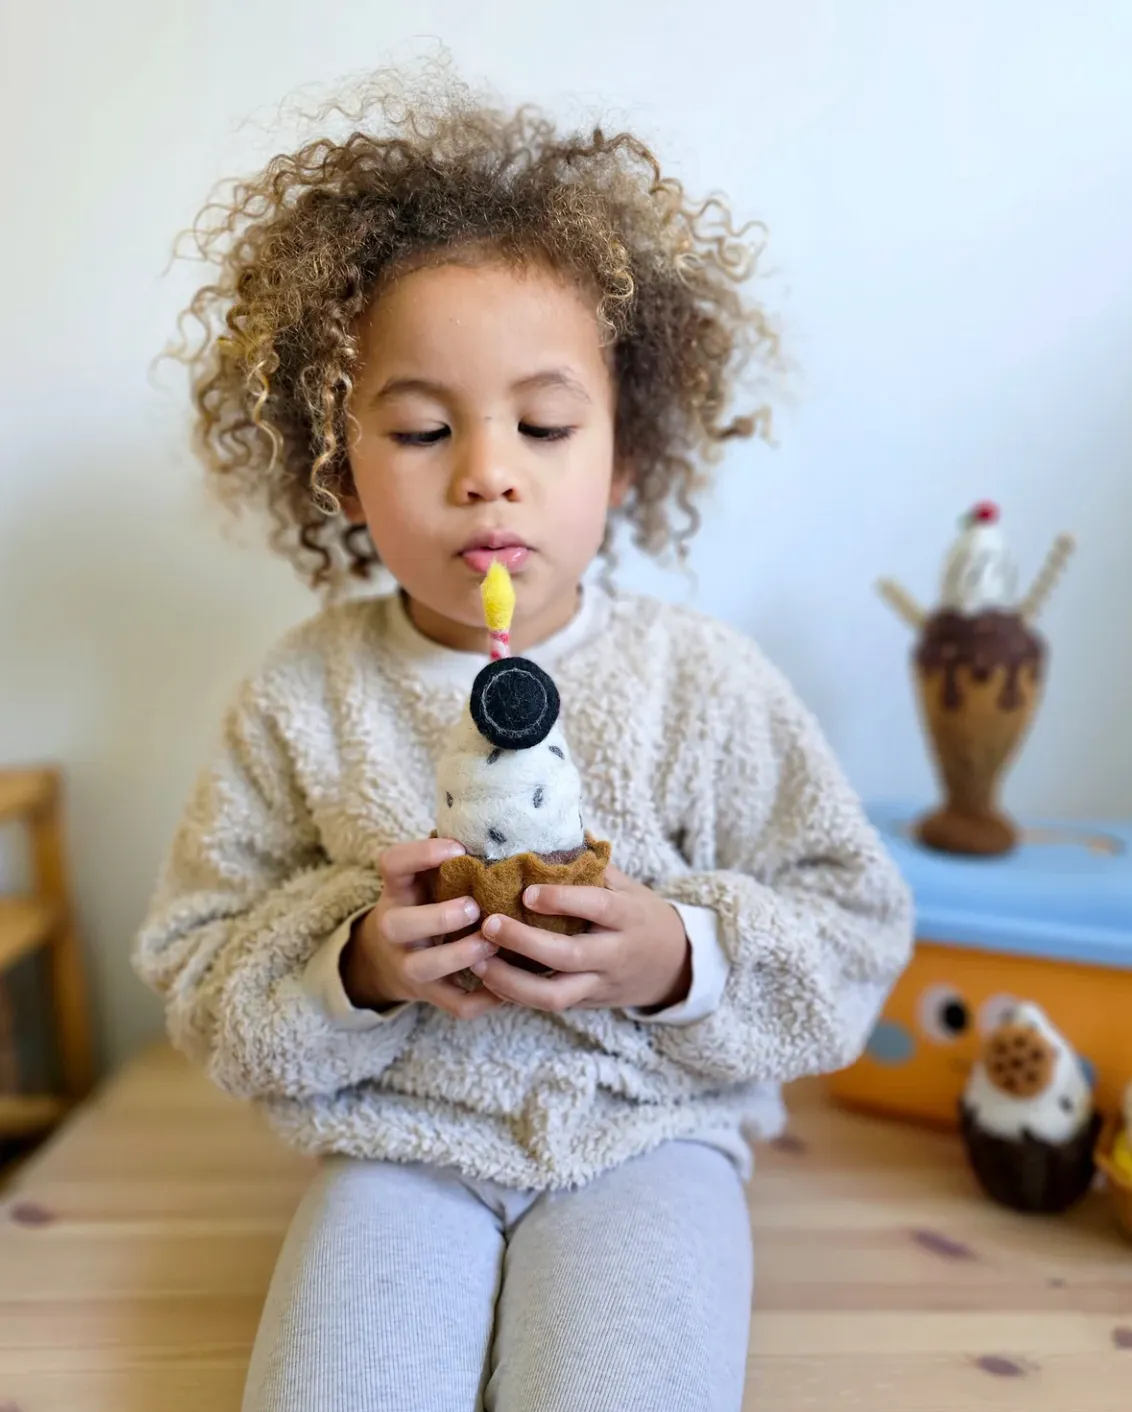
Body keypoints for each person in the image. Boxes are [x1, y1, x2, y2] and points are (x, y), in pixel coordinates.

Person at [133, 59, 914, 1412]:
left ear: (625, 457)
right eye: (425, 425)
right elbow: (196, 959)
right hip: (397, 1144)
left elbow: (856, 923)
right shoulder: (300, 696)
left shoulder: (703, 685)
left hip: (647, 1141)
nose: (489, 467)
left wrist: (683, 954)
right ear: (340, 469)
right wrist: (352, 965)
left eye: (544, 424)